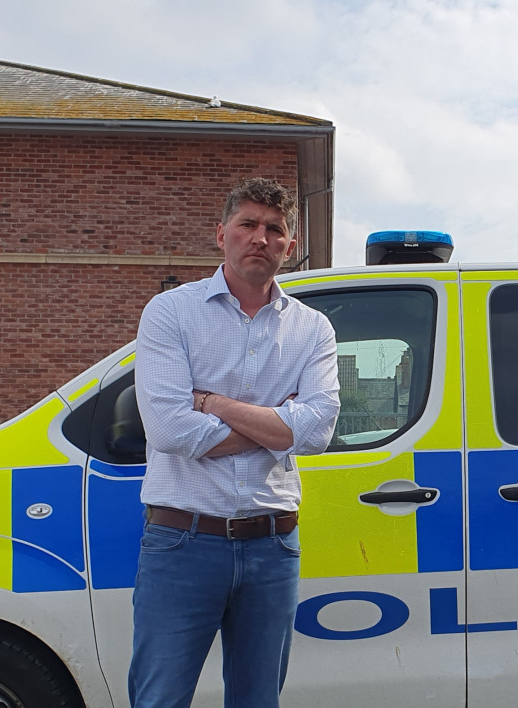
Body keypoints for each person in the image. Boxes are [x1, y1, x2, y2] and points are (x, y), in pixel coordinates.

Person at [130, 177, 340, 707]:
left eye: (275, 229)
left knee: (258, 701)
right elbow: (170, 430)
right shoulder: (170, 313)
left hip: (272, 545)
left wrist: (214, 403)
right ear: (221, 233)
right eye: (248, 224)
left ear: (289, 248)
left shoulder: (314, 330)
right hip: (182, 543)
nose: (260, 238)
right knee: (161, 700)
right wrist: (278, 426)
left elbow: (316, 434)